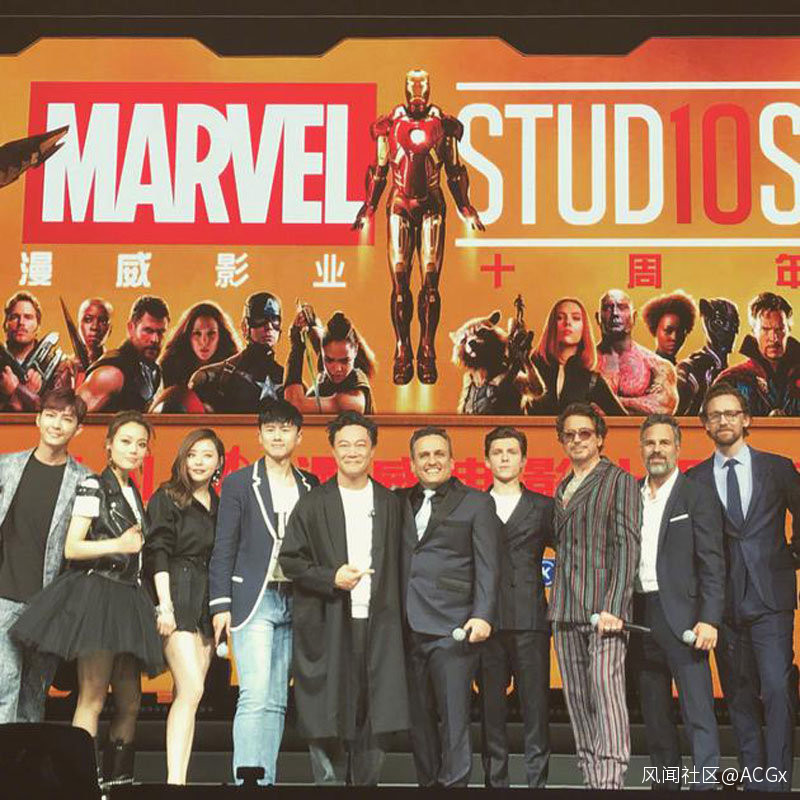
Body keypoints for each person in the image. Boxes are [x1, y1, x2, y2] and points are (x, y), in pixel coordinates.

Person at [11, 410, 163, 786]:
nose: (134, 450)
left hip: (129, 599)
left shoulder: (132, 490)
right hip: (99, 596)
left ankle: (119, 782)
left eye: (141, 444)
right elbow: (73, 547)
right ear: (109, 444)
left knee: (130, 701)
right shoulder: (93, 485)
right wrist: (119, 544)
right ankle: (83, 783)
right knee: (92, 697)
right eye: (126, 441)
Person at [280, 411, 409, 785]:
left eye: (360, 445)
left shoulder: (390, 503)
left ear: (373, 450)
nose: (352, 452)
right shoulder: (313, 503)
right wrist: (330, 577)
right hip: (330, 622)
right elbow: (291, 561)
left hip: (381, 625)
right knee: (328, 711)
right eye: (344, 445)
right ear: (333, 451)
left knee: (377, 712)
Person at [687, 382, 800, 791]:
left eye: (731, 413)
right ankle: (754, 780)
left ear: (746, 419)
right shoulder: (694, 479)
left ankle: (777, 781)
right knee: (738, 695)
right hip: (723, 604)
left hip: (771, 599)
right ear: (705, 424)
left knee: (777, 688)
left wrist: (791, 556)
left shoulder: (778, 468)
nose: (724, 420)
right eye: (715, 415)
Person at [208, 399, 318, 785]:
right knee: (254, 694)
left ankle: (265, 780)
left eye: (285, 429)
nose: (277, 435)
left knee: (276, 699)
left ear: (299, 436)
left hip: (295, 599)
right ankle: (245, 781)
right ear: (259, 436)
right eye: (270, 429)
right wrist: (220, 604)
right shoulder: (240, 482)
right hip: (253, 599)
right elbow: (224, 546)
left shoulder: (310, 484)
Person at [352, 68, 484, 385]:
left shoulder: (443, 126)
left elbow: (454, 170)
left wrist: (465, 205)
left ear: (429, 89)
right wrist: (369, 205)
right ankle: (403, 349)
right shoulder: (389, 125)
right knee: (400, 284)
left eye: (421, 88)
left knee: (430, 283)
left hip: (431, 204)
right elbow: (379, 169)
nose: (417, 95)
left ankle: (426, 349)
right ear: (405, 89)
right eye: (412, 87)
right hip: (399, 204)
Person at [398, 425, 500, 787]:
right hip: (406, 627)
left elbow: (489, 564)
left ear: (452, 460)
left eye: (439, 454)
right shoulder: (398, 501)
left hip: (453, 627)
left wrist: (482, 615)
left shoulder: (477, 502)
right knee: (419, 722)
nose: (432, 461)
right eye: (424, 455)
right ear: (412, 463)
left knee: (454, 720)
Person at [549, 402, 641, 790]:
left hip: (605, 609)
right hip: (565, 607)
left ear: (600, 438)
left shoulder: (619, 480)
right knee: (577, 699)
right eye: (569, 434)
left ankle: (611, 778)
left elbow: (627, 546)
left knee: (606, 695)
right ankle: (591, 776)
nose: (577, 440)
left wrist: (615, 607)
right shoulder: (561, 486)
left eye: (584, 433)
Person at [631, 414, 724, 789]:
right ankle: (665, 785)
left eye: (664, 443)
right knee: (655, 718)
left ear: (678, 448)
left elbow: (713, 562)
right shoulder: (629, 493)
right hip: (639, 616)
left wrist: (710, 618)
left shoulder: (697, 495)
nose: (657, 450)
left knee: (698, 713)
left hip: (685, 618)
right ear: (641, 449)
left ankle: (705, 786)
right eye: (650, 443)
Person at [0, 388, 91, 723]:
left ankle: (23, 758)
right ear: (37, 419)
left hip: (49, 605)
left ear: (78, 429)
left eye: (66, 419)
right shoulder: (6, 467)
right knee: (3, 686)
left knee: (34, 696)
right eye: (50, 416)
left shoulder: (84, 480)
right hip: (4, 594)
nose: (56, 424)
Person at [144, 428, 226, 784]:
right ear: (182, 459)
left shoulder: (220, 505)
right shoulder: (167, 497)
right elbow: (157, 551)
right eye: (192, 455)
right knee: (192, 689)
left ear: (219, 462)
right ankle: (174, 783)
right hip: (176, 592)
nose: (199, 462)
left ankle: (179, 779)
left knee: (188, 695)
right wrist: (164, 605)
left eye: (207, 455)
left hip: (206, 601)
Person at [477, 426, 553, 788]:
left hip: (530, 621)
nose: (504, 458)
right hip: (486, 622)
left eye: (511, 452)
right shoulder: (473, 505)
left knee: (536, 710)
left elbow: (571, 554)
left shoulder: (543, 506)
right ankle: (496, 783)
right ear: (486, 460)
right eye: (497, 452)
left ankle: (537, 783)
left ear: (523, 460)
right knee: (491, 712)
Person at [189, 292, 284, 413]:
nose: (269, 326)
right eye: (260, 319)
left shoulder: (286, 380)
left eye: (274, 319)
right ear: (245, 326)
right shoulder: (211, 377)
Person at [531, 297, 625, 415]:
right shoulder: (532, 368)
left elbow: (624, 420)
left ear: (584, 328)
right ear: (551, 326)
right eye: (560, 317)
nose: (568, 322)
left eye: (576, 318)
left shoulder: (592, 380)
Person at [79, 295, 170, 412]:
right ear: (131, 328)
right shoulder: (111, 374)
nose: (155, 339)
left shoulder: (153, 370)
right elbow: (71, 415)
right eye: (148, 331)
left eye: (161, 332)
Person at [714, 291, 800, 416]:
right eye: (765, 329)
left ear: (788, 331)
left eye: (779, 329)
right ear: (754, 332)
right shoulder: (732, 380)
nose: (774, 338)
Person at [595, 289, 678, 415]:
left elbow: (663, 407)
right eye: (607, 308)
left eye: (622, 307)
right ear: (598, 318)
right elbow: (575, 406)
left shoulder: (657, 365)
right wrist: (638, 405)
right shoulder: (583, 363)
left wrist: (608, 403)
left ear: (634, 317)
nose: (615, 313)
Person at [284, 307, 376, 414]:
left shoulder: (352, 401)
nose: (336, 369)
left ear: (355, 350)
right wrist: (310, 319)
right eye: (329, 360)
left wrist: (296, 347)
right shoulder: (328, 364)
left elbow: (295, 405)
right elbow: (318, 337)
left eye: (345, 361)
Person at [676, 297, 740, 416]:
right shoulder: (693, 367)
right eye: (720, 323)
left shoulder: (730, 371)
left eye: (733, 325)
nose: (729, 331)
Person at [157, 302, 240, 389]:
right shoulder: (171, 367)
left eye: (211, 333)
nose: (204, 341)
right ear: (188, 336)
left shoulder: (235, 368)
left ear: (221, 336)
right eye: (197, 333)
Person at [1, 291, 47, 411]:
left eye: (28, 317)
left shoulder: (56, 365)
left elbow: (57, 412)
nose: (21, 322)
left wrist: (16, 390)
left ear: (38, 326)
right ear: (5, 325)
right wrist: (26, 394)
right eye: (14, 317)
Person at [56, 297, 114, 390]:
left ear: (110, 329)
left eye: (103, 321)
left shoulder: (117, 368)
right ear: (79, 326)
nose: (94, 327)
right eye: (88, 320)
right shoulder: (64, 368)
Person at [641, 290, 697, 365]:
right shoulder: (643, 366)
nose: (674, 338)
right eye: (668, 331)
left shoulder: (685, 369)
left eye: (680, 332)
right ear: (655, 330)